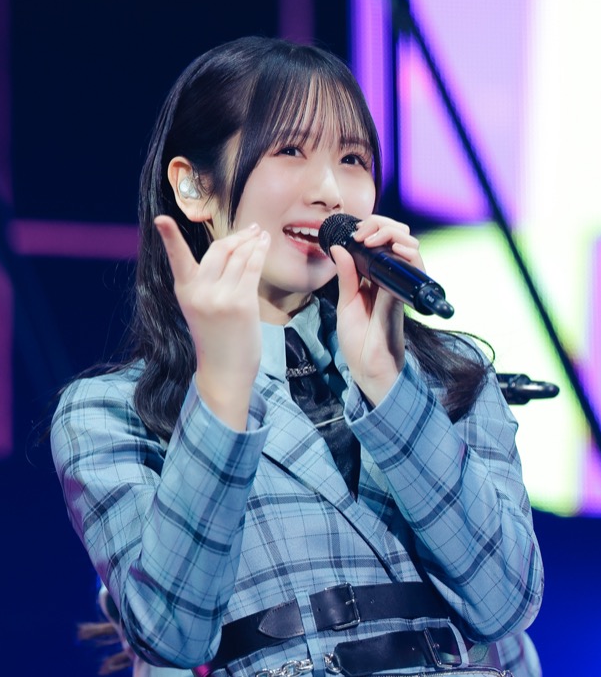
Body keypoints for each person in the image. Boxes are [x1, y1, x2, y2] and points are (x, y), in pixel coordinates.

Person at [51, 36, 543, 677]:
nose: (331, 190)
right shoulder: (112, 413)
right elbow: (170, 632)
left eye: (353, 158)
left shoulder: (451, 375)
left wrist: (387, 382)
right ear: (196, 187)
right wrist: (223, 390)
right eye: (290, 150)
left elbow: (507, 603)